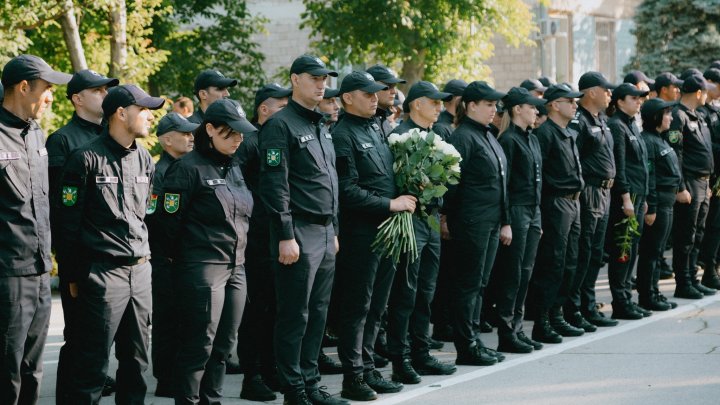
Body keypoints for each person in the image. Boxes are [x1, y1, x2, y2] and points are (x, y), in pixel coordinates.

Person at [55, 84, 164, 402]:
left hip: (140, 273)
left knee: (136, 365)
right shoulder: (85, 158)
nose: (149, 117)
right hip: (101, 274)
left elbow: (150, 215)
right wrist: (73, 275)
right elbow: (67, 224)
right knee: (90, 367)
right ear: (120, 113)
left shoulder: (145, 158)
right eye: (143, 110)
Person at [258, 55, 345, 405]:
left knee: (319, 313)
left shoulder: (321, 125)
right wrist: (285, 234)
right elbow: (274, 185)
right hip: (299, 231)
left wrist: (334, 228)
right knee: (296, 314)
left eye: (325, 78)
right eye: (314, 77)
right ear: (295, 80)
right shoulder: (281, 125)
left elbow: (329, 182)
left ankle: (310, 384)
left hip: (324, 232)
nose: (322, 84)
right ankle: (294, 390)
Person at [155, 99, 254, 404]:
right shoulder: (186, 169)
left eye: (241, 134)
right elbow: (167, 225)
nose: (238, 139)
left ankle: (212, 399)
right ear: (209, 129)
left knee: (225, 344)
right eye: (231, 133)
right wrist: (183, 262)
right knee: (200, 344)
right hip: (202, 266)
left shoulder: (235, 168)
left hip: (236, 265)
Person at [331, 71, 413, 401]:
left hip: (387, 230)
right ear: (348, 98)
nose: (375, 98)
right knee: (358, 306)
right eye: (368, 94)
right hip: (361, 232)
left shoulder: (376, 127)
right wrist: (390, 203)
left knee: (378, 304)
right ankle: (353, 375)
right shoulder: (341, 135)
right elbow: (346, 191)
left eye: (376, 93)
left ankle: (367, 367)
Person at [45, 68, 119, 403]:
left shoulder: (113, 137)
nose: (105, 96)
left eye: (107, 91)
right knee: (78, 339)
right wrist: (70, 267)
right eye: (98, 91)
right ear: (77, 98)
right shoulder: (63, 140)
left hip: (114, 257)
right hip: (83, 257)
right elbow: (62, 209)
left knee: (101, 343)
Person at [0, 54, 69, 405]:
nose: (51, 97)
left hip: (41, 270)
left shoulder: (36, 133)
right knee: (6, 370)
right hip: (8, 275)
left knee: (33, 369)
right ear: (24, 87)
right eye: (47, 89)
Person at [385, 81, 455, 384]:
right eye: (434, 102)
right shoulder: (398, 135)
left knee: (426, 291)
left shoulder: (436, 134)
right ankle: (400, 359)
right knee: (406, 292)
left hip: (430, 218)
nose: (440, 108)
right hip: (409, 217)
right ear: (416, 105)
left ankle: (421, 352)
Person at [444, 80, 509, 365]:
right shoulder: (463, 137)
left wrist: (504, 220)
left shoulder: (488, 135)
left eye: (495, 105)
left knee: (480, 284)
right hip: (471, 221)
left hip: (491, 221)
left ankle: (475, 340)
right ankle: (466, 345)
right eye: (489, 104)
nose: (494, 109)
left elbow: (501, 182)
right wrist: (447, 217)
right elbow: (452, 184)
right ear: (471, 106)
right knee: (468, 285)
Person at [236, 83, 292, 401]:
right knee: (255, 310)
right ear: (264, 110)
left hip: (278, 235)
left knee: (275, 308)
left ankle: (271, 369)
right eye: (281, 106)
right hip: (256, 237)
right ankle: (252, 375)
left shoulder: (280, 138)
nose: (287, 112)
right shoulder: (251, 142)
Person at [145, 112, 198, 398]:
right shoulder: (161, 172)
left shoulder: (187, 167)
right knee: (167, 319)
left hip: (182, 256)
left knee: (182, 319)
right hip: (167, 257)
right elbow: (159, 219)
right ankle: (165, 377)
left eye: (192, 133)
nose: (191, 137)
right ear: (166, 139)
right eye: (184, 133)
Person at [493, 87, 546, 353]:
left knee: (526, 273)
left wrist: (539, 215)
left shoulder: (532, 138)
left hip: (533, 210)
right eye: (532, 106)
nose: (536, 111)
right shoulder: (508, 140)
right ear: (517, 109)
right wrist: (506, 221)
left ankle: (518, 328)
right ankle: (506, 332)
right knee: (512, 274)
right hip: (516, 211)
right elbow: (503, 185)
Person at [531, 83, 585, 344]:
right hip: (555, 203)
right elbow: (539, 178)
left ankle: (557, 314)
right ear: (554, 104)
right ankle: (542, 321)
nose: (575, 105)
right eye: (570, 101)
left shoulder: (568, 132)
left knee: (569, 262)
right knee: (552, 263)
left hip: (573, 203)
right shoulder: (545, 134)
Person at [565, 71, 618, 330]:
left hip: (605, 193)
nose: (610, 94)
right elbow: (574, 158)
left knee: (596, 253)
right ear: (591, 92)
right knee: (583, 252)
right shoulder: (580, 121)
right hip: (589, 193)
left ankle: (588, 304)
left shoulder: (602, 119)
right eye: (605, 89)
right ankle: (574, 308)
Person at [667, 74, 716, 299]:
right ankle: (683, 282)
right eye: (705, 91)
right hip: (690, 182)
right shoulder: (678, 116)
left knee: (698, 233)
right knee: (686, 234)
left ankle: (692, 278)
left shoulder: (697, 116)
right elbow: (676, 154)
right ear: (698, 93)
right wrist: (681, 186)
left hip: (703, 182)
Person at [605, 83, 651, 319]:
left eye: (640, 98)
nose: (639, 101)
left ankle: (626, 299)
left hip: (637, 195)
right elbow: (619, 166)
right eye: (634, 98)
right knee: (622, 250)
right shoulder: (616, 125)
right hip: (627, 197)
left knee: (631, 249)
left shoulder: (632, 124)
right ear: (620, 101)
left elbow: (641, 165)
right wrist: (625, 197)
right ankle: (620, 303)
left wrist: (642, 197)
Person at [431, 79, 468, 344]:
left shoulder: (451, 124)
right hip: (442, 210)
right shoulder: (444, 127)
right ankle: (443, 322)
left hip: (450, 209)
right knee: (446, 273)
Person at [637, 98, 683, 311]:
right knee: (651, 251)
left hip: (668, 200)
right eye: (666, 114)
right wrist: (652, 207)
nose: (671, 117)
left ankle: (654, 292)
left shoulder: (661, 139)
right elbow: (650, 177)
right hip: (659, 202)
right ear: (656, 117)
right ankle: (647, 295)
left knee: (658, 250)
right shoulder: (647, 140)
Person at [697, 69, 720, 290]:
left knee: (715, 226)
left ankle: (712, 267)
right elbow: (705, 147)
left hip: (714, 174)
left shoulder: (713, 110)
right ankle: (708, 269)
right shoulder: (700, 112)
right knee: (709, 226)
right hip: (708, 178)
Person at [367, 64, 406, 138]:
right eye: (388, 86)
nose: (394, 91)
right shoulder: (361, 122)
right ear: (371, 86)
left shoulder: (386, 122)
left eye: (394, 86)